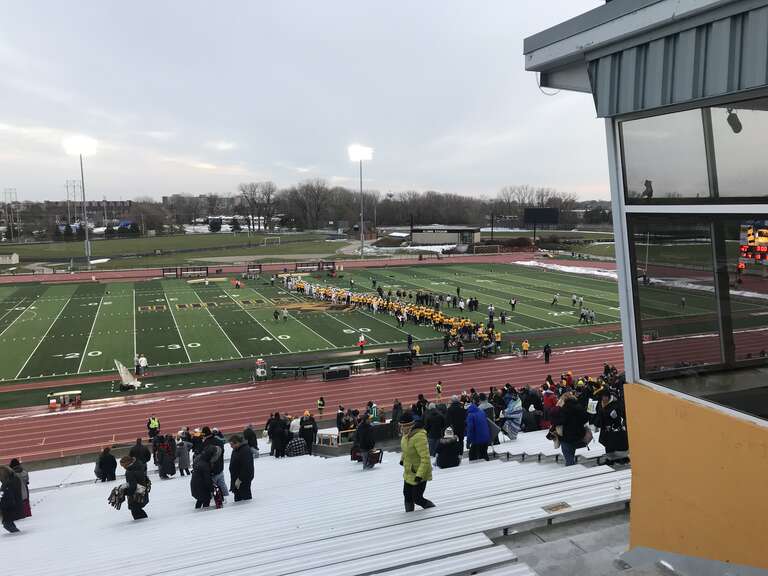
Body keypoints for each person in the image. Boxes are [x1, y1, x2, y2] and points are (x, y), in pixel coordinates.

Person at [398, 412, 435, 512]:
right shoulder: (406, 434)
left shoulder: (419, 436)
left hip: (419, 473)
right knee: (407, 495)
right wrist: (402, 459)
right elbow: (406, 449)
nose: (401, 428)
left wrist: (420, 475)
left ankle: (433, 510)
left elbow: (425, 458)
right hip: (408, 471)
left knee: (417, 498)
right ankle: (409, 516)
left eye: (403, 426)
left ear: (409, 425)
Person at [553, 391, 589, 466]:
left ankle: (572, 471)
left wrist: (554, 420)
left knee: (568, 457)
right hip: (578, 434)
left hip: (567, 436)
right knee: (571, 453)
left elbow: (560, 421)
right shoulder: (579, 406)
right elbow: (585, 418)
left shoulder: (564, 409)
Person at [596, 390, 630, 465]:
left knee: (616, 444)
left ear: (608, 397)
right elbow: (599, 415)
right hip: (605, 429)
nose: (603, 399)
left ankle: (620, 459)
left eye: (605, 397)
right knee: (608, 446)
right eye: (602, 397)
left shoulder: (615, 404)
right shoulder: (600, 404)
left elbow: (621, 415)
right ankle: (610, 460)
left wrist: (616, 417)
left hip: (614, 429)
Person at [120, 456, 150, 520]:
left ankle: (143, 526)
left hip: (135, 496)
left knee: (136, 511)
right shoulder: (139, 466)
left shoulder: (129, 472)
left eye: (123, 466)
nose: (123, 468)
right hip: (143, 491)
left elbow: (133, 486)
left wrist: (125, 492)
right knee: (139, 510)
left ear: (127, 463)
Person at [202, 427, 228, 500]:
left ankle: (216, 499)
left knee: (213, 487)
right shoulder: (218, 440)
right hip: (220, 466)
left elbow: (204, 457)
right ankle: (227, 497)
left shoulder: (205, 443)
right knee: (222, 484)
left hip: (211, 469)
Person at [190, 444, 217, 509]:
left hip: (196, 485)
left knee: (200, 500)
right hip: (201, 487)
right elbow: (207, 479)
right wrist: (212, 489)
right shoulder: (205, 465)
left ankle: (197, 511)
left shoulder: (200, 459)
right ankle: (204, 516)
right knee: (206, 501)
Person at [228, 435, 255, 502]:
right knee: (238, 498)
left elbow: (247, 467)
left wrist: (240, 479)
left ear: (237, 442)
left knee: (245, 499)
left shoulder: (245, 450)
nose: (230, 446)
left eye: (231, 444)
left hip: (242, 480)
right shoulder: (236, 449)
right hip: (237, 479)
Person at [0, 465, 22, 532]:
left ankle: (17, 534)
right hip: (12, 504)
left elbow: (4, 494)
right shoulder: (13, 479)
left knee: (7, 523)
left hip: (9, 506)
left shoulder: (7, 483)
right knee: (8, 523)